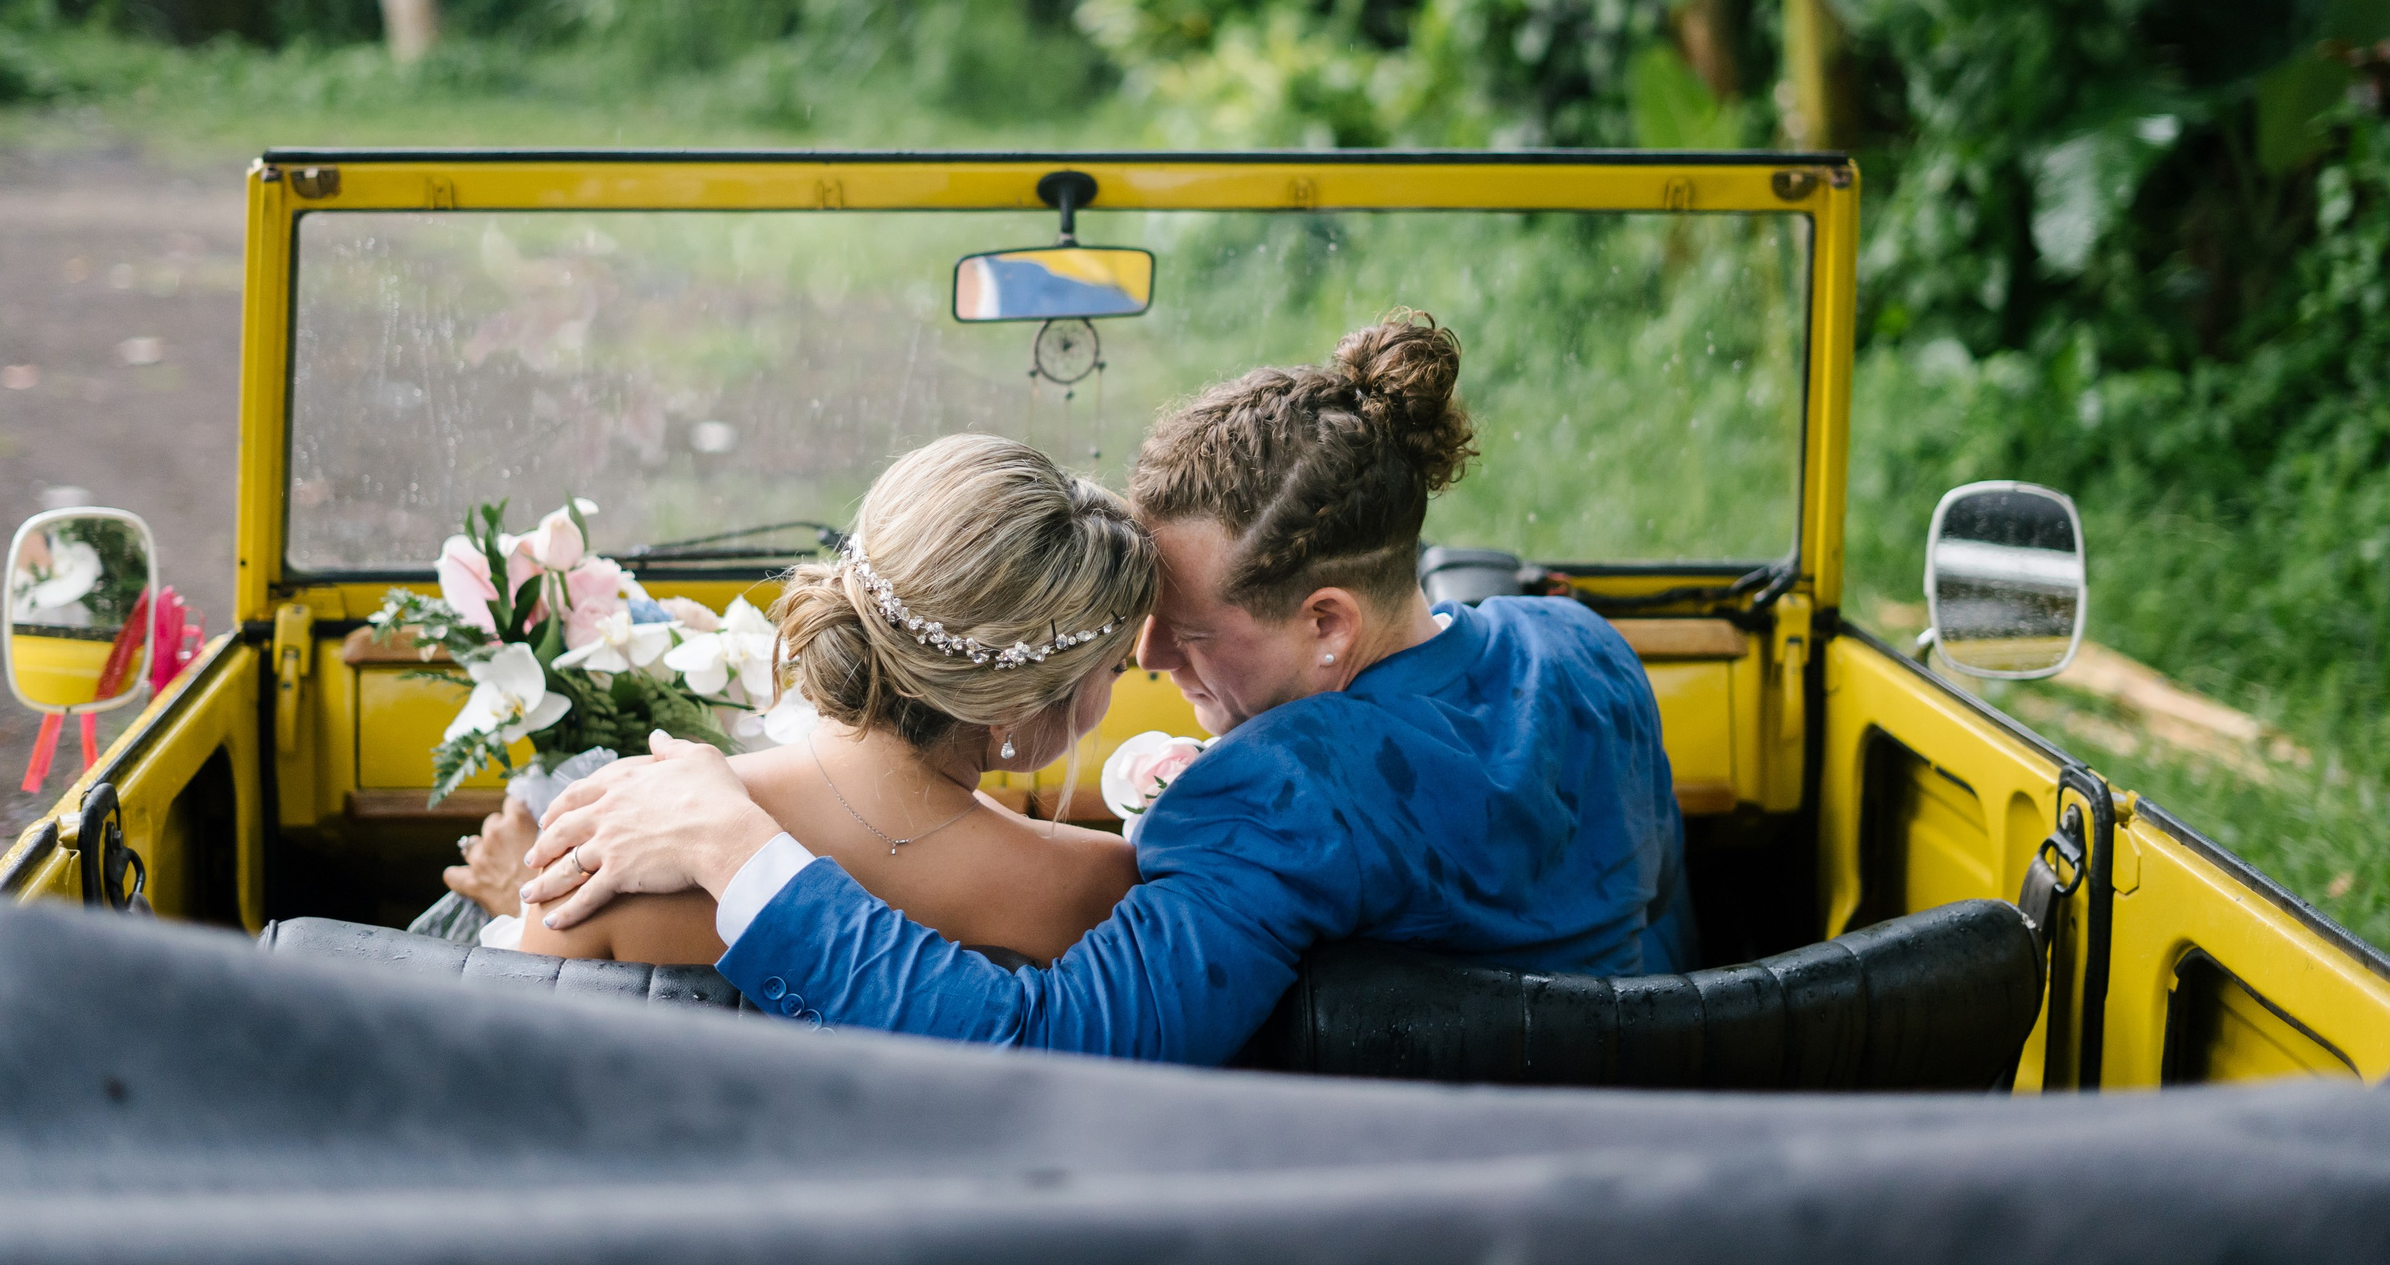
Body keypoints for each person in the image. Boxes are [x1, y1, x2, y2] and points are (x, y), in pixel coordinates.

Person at [525, 311, 1689, 1064]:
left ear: (1326, 624)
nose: (1145, 661)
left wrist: (743, 856)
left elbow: (1046, 1049)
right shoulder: (1580, 648)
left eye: (1186, 632)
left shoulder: (1274, 797)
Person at [468, 434, 1153, 968]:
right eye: (1115, 667)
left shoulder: (615, 831)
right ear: (1016, 701)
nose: (1116, 687)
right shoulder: (1096, 889)